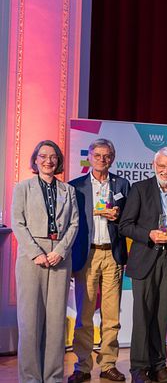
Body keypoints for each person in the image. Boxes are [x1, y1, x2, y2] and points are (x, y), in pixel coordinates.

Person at [119, 146, 167, 383]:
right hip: (146, 259)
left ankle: (159, 366)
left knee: (162, 317)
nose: (166, 170)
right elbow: (125, 225)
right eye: (162, 166)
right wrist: (149, 234)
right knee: (142, 316)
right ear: (154, 166)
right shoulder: (140, 189)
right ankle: (139, 369)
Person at [12, 140, 79, 383]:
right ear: (36, 159)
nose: (48, 160)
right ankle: (30, 378)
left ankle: (53, 377)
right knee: (30, 322)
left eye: (53, 157)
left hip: (60, 257)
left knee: (55, 323)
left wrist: (60, 250)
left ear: (58, 160)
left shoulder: (68, 191)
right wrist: (36, 252)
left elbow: (74, 224)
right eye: (43, 156)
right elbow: (18, 223)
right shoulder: (23, 188)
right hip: (33, 258)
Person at [69, 139, 130, 383]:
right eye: (98, 155)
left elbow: (130, 219)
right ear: (90, 157)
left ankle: (108, 364)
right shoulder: (76, 186)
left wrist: (119, 215)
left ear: (112, 158)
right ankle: (82, 366)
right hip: (87, 254)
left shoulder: (123, 184)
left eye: (107, 156)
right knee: (84, 315)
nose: (102, 160)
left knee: (112, 315)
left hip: (112, 254)